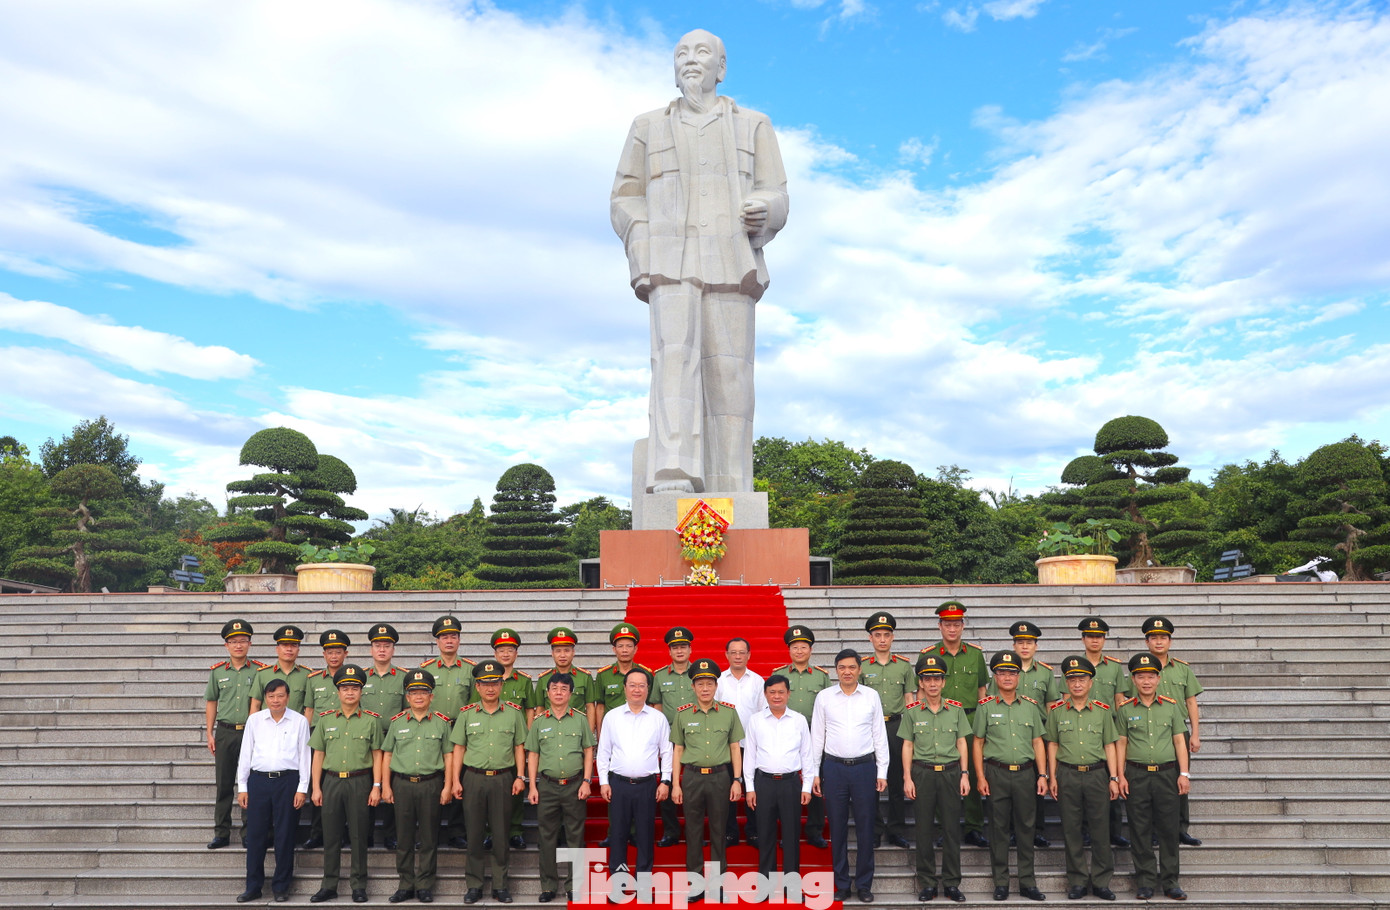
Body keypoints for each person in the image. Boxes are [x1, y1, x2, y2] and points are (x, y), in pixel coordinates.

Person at [611, 27, 789, 495]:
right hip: (671, 261)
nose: (691, 60)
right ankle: (673, 474)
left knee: (731, 377)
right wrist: (647, 245)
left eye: (702, 52)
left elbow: (777, 192)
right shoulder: (646, 126)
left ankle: (733, 485)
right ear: (675, 68)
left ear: (721, 68)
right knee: (673, 364)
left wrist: (766, 211)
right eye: (682, 53)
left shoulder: (754, 124)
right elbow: (624, 198)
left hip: (732, 260)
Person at [810, 648, 889, 903]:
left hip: (865, 768)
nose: (847, 671)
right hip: (834, 769)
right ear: (836, 670)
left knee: (866, 828)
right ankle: (842, 883)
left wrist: (882, 770)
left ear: (859, 669)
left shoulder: (871, 696)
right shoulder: (824, 697)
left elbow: (879, 735)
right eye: (842, 667)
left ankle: (865, 884)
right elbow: (817, 737)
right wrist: (815, 773)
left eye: (852, 667)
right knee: (838, 828)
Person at [450, 658, 528, 904]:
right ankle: (474, 885)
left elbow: (519, 747)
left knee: (501, 834)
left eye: (494, 683)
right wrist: (455, 780)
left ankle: (500, 885)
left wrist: (520, 776)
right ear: (478, 686)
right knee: (473, 834)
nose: (490, 688)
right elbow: (459, 749)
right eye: (485, 684)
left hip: (503, 779)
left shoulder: (514, 714)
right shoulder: (466, 714)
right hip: (473, 779)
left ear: (501, 685)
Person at [973, 650, 1048, 902]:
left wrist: (1043, 774)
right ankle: (1001, 882)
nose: (1007, 677)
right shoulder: (985, 707)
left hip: (1026, 773)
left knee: (1026, 828)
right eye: (1002, 673)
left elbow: (1038, 742)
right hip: (996, 773)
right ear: (994, 676)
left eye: (1012, 673)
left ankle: (1028, 881)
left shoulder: (1030, 706)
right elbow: (978, 743)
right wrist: (981, 777)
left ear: (1018, 676)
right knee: (998, 828)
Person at [1044, 656, 1120, 901]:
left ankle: (1101, 881)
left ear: (1090, 683)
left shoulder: (1102, 711)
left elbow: (1110, 745)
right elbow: (1053, 744)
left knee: (1100, 830)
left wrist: (1114, 777)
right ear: (1066, 683)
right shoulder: (1056, 712)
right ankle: (1077, 881)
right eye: (1072, 680)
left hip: (1097, 774)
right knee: (1071, 830)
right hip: (1067, 774)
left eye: (1082, 679)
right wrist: (1052, 775)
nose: (1077, 684)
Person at [1116, 654, 1190, 901]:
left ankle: (1171, 882)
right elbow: (1122, 744)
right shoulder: (1125, 710)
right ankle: (1146, 881)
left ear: (1158, 679)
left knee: (1169, 829)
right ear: (1133, 680)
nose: (1146, 681)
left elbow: (1180, 741)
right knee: (1140, 829)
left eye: (1150, 676)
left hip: (1167, 774)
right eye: (1140, 677)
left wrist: (1184, 773)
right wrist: (1119, 775)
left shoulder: (1170, 707)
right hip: (1136, 775)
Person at [309, 665, 383, 904]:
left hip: (360, 781)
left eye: (354, 688)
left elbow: (377, 756)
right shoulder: (326, 720)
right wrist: (317, 787)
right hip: (331, 782)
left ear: (361, 691)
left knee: (359, 835)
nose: (350, 692)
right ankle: (329, 884)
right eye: (345, 688)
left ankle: (359, 885)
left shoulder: (371, 721)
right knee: (331, 835)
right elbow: (318, 754)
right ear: (338, 692)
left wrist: (377, 785)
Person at [899, 653, 969, 903]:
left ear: (943, 682)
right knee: (924, 829)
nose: (932, 684)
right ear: (920, 682)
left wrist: (964, 774)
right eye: (927, 679)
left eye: (937, 678)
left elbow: (962, 742)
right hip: (923, 773)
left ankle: (951, 883)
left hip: (950, 773)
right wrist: (907, 777)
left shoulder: (956, 710)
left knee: (951, 829)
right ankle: (927, 882)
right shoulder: (912, 712)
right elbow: (907, 745)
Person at [381, 669, 454, 904]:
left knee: (429, 836)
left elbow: (449, 757)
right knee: (403, 837)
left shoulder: (442, 723)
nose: (419, 696)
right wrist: (385, 786)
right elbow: (387, 755)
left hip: (431, 784)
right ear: (408, 697)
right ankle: (405, 884)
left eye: (424, 692)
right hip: (402, 785)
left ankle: (424, 884)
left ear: (431, 696)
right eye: (414, 692)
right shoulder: (397, 722)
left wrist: (448, 786)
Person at [236, 677, 311, 903]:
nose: (275, 700)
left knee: (285, 835)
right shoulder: (255, 720)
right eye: (271, 696)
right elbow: (245, 754)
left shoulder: (299, 721)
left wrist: (302, 788)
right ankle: (253, 886)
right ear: (265, 698)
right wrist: (242, 786)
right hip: (258, 782)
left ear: (288, 697)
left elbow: (305, 756)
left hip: (288, 782)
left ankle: (281, 886)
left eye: (280, 696)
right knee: (256, 835)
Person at [920, 601, 989, 847]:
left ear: (963, 626)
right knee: (943, 776)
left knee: (970, 770)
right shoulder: (928, 655)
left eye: (956, 624)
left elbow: (982, 690)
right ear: (940, 626)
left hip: (970, 720)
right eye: (947, 624)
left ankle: (974, 827)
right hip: (941, 720)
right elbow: (922, 693)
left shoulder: (975, 654)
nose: (952, 629)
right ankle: (943, 828)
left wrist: (984, 724)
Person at [672, 657, 746, 888]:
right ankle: (694, 883)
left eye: (710, 684)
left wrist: (736, 780)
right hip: (692, 777)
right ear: (692, 687)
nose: (705, 688)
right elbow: (677, 750)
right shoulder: (682, 714)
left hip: (720, 778)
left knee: (719, 830)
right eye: (700, 684)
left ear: (716, 686)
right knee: (693, 832)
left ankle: (717, 882)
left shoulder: (729, 713)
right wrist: (676, 784)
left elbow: (735, 747)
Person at [987, 621, 1059, 850]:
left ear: (1036, 646)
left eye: (1029, 643)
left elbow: (1051, 706)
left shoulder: (1046, 673)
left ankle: (1036, 830)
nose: (1024, 647)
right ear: (1014, 645)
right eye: (1020, 642)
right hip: (1007, 734)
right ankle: (1008, 831)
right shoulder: (1003, 672)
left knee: (1037, 782)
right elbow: (992, 702)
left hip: (1036, 735)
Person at [525, 672, 596, 903]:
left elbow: (588, 750)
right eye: (554, 688)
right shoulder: (539, 721)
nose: (558, 693)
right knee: (547, 837)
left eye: (563, 689)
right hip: (547, 786)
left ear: (570, 694)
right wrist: (533, 786)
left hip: (574, 785)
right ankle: (548, 886)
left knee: (575, 837)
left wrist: (587, 781)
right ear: (547, 693)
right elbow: (533, 754)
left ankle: (574, 885)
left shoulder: (580, 719)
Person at [596, 668, 672, 881]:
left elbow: (666, 752)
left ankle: (643, 882)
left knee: (646, 834)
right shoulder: (612, 717)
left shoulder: (658, 718)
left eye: (641, 685)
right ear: (625, 688)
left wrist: (665, 781)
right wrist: (603, 782)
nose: (636, 690)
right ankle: (618, 882)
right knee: (618, 834)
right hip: (618, 784)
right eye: (632, 685)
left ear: (648, 689)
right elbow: (603, 752)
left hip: (647, 785)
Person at [743, 674, 813, 890]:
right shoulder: (755, 720)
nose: (776, 696)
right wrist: (750, 788)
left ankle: (792, 886)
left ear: (788, 694)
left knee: (791, 836)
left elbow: (807, 754)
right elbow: (750, 756)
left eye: (781, 692)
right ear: (765, 694)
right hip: (764, 783)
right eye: (772, 692)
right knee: (765, 835)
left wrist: (807, 786)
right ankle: (766, 886)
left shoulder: (799, 720)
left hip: (790, 783)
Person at [468, 629, 533, 851]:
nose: (506, 654)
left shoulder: (523, 681)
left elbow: (530, 711)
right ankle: (488, 832)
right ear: (494, 653)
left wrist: (527, 742)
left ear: (516, 653)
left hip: (514, 742)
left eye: (510, 650)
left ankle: (515, 831)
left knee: (515, 790)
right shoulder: (481, 681)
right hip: (486, 741)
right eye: (501, 650)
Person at [205, 618, 267, 850]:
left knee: (249, 783)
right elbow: (212, 702)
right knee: (223, 783)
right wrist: (210, 733)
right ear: (226, 645)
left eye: (243, 641)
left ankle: (249, 832)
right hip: (225, 732)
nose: (238, 645)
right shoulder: (218, 672)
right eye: (234, 641)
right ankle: (221, 832)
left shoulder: (260, 671)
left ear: (249, 644)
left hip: (251, 733)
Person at [1143, 616, 1204, 846]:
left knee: (1181, 778)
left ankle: (1180, 828)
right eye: (1154, 638)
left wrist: (1195, 733)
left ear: (1170, 641)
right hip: (1149, 733)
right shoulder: (1140, 670)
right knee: (1151, 782)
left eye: (1163, 638)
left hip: (1178, 732)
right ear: (1147, 642)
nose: (1159, 642)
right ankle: (1154, 830)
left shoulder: (1182, 669)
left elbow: (1191, 703)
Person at [772, 625, 831, 848]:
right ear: (789, 650)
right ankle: (787, 831)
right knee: (786, 786)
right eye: (795, 647)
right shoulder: (779, 675)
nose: (799, 651)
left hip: (813, 736)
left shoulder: (821, 677)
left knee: (815, 781)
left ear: (810, 649)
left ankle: (815, 830)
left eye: (803, 647)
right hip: (786, 735)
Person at [860, 612, 915, 849]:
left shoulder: (903, 666)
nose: (882, 639)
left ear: (892, 637)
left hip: (896, 725)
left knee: (895, 778)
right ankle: (873, 829)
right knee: (871, 779)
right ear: (870, 639)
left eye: (886, 635)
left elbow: (910, 699)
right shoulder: (862, 666)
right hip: (870, 727)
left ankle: (896, 830)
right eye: (877, 635)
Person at [1077, 617, 1133, 849]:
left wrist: (1122, 731)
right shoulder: (1075, 664)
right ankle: (1086, 831)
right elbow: (1066, 699)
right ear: (1083, 639)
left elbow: (1120, 700)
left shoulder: (1113, 667)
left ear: (1104, 639)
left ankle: (1114, 831)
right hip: (1083, 729)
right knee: (1084, 784)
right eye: (1090, 636)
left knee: (1113, 777)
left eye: (1099, 636)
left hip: (1109, 730)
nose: (1094, 640)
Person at [420, 615, 475, 850]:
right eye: (444, 637)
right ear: (437, 641)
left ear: (459, 640)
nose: (449, 641)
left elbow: (474, 703)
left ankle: (456, 831)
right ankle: (429, 831)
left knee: (458, 780)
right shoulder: (426, 670)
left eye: (453, 636)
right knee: (432, 779)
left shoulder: (471, 670)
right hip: (433, 730)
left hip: (460, 731)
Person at [303, 629, 351, 849]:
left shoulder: (353, 678)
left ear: (345, 653)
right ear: (324, 654)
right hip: (320, 739)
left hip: (347, 736)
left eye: (338, 652)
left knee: (345, 788)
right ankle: (317, 832)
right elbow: (309, 711)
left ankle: (344, 832)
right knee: (318, 786)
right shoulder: (313, 680)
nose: (334, 656)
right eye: (330, 652)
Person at [362, 623, 407, 850]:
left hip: (393, 741)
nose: (382, 650)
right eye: (378, 645)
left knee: (391, 789)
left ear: (393, 649)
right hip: (366, 741)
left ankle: (391, 834)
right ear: (371, 649)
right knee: (366, 786)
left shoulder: (403, 678)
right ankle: (366, 834)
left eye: (387, 646)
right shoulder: (360, 677)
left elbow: (408, 711)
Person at [716, 637, 764, 847]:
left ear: (749, 655)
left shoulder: (758, 681)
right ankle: (729, 832)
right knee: (728, 792)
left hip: (751, 746)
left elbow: (764, 713)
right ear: (726, 655)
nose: (737, 656)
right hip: (725, 747)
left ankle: (754, 832)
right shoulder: (718, 680)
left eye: (741, 652)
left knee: (753, 790)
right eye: (733, 652)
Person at [652, 626, 696, 846]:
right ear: (669, 651)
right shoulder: (659, 676)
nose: (679, 651)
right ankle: (671, 831)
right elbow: (657, 709)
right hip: (669, 739)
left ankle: (693, 832)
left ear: (690, 649)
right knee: (667, 782)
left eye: (683, 647)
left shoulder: (699, 674)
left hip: (696, 738)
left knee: (693, 785)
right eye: (675, 647)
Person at [533, 626, 597, 732]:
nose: (562, 655)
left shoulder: (584, 677)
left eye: (567, 650)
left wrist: (589, 735)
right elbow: (540, 708)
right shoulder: (544, 678)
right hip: (550, 731)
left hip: (576, 731)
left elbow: (590, 707)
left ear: (573, 652)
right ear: (552, 653)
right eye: (558, 651)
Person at [596, 623, 657, 734]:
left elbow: (651, 704)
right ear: (614, 649)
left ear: (635, 649)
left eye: (629, 646)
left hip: (640, 727)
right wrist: (600, 735)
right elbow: (600, 707)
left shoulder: (646, 674)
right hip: (613, 729)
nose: (625, 650)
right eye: (620, 646)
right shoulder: (603, 675)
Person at [250, 624, 313, 715]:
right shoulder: (263, 674)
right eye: (285, 645)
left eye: (293, 645)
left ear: (298, 650)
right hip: (268, 726)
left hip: (295, 726)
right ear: (277, 649)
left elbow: (309, 708)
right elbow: (255, 704)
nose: (289, 649)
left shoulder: (307, 675)